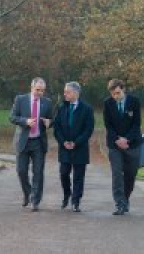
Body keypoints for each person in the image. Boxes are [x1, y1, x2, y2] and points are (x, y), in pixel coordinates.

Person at [10, 77, 52, 212]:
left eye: (42, 91)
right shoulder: (20, 100)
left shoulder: (47, 102)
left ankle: (35, 200)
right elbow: (12, 117)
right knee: (21, 171)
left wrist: (49, 122)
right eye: (38, 90)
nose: (40, 93)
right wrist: (25, 121)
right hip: (23, 141)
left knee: (38, 172)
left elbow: (52, 119)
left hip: (39, 142)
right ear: (31, 88)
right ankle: (28, 193)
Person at [54, 82, 94, 212]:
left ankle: (76, 201)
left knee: (78, 176)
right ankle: (67, 195)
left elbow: (88, 130)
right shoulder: (61, 107)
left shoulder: (87, 109)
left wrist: (76, 143)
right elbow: (57, 128)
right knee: (63, 173)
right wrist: (63, 142)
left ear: (76, 93)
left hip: (80, 148)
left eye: (67, 92)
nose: (65, 94)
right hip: (64, 147)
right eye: (65, 92)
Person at [103, 79, 142, 215]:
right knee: (117, 174)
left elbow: (136, 124)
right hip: (115, 144)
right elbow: (108, 125)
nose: (116, 96)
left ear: (123, 89)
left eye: (118, 93)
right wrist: (117, 140)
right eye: (113, 94)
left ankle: (125, 199)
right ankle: (119, 203)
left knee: (130, 174)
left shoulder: (134, 101)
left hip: (132, 144)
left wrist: (127, 139)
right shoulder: (107, 104)